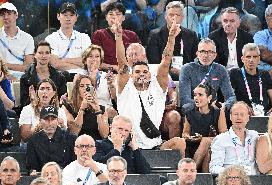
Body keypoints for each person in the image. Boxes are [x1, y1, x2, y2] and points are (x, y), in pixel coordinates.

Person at [116, 8, 180, 149]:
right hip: (128, 144)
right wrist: (118, 37)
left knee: (179, 143)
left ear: (150, 74)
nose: (141, 74)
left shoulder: (157, 87)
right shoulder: (125, 87)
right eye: (137, 72)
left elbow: (166, 60)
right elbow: (121, 63)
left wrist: (171, 39)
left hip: (154, 143)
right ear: (131, 75)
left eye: (145, 71)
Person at [179, 38, 236, 112]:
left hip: (213, 110)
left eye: (210, 52)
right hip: (193, 108)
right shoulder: (187, 69)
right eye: (202, 51)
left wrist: (225, 106)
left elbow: (231, 96)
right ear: (197, 53)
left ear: (215, 55)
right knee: (187, 106)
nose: (206, 55)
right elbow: (184, 99)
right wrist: (206, 106)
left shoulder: (220, 69)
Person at [147, 1, 199, 81]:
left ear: (182, 17)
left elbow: (196, 61)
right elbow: (153, 62)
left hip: (187, 77)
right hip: (163, 77)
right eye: (171, 15)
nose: (174, 18)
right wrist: (169, 71)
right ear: (165, 16)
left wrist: (183, 72)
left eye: (177, 15)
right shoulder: (155, 35)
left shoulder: (191, 35)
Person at [183, 83, 227, 172]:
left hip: (212, 144)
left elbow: (224, 136)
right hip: (193, 146)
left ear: (209, 98)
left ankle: (191, 170)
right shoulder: (189, 112)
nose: (196, 98)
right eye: (195, 95)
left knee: (206, 143)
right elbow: (185, 133)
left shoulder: (218, 112)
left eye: (200, 95)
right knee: (205, 147)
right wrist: (189, 137)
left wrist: (202, 138)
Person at [230, 43, 272, 116]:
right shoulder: (235, 73)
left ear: (259, 59)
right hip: (243, 114)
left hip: (265, 114)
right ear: (242, 59)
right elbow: (229, 97)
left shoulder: (264, 74)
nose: (251, 60)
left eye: (255, 57)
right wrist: (242, 106)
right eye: (248, 57)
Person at [209, 101, 259, 175]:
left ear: (248, 118)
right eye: (236, 114)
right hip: (232, 180)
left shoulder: (255, 136)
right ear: (230, 117)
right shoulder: (221, 139)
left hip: (255, 180)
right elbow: (214, 168)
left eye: (242, 114)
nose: (239, 117)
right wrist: (233, 172)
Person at [45, 2, 91, 80]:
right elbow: (55, 64)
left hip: (82, 78)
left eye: (71, 15)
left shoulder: (84, 37)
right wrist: (78, 65)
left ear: (76, 17)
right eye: (65, 15)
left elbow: (88, 61)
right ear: (58, 16)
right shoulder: (50, 39)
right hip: (60, 78)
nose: (68, 18)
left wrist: (64, 60)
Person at [27, 105, 76, 174]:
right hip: (44, 178)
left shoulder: (70, 138)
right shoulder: (33, 140)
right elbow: (33, 167)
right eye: (46, 120)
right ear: (40, 121)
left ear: (57, 120)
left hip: (66, 177)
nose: (50, 123)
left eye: (53, 119)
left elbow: (75, 163)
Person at [92, 2, 140, 72]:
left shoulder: (132, 35)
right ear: (106, 17)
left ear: (123, 17)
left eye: (118, 14)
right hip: (107, 73)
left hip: (129, 72)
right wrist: (115, 67)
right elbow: (94, 61)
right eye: (111, 14)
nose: (114, 17)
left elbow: (140, 58)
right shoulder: (98, 34)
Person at [20, 41, 67, 108]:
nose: (44, 56)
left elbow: (63, 101)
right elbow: (23, 104)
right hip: (33, 112)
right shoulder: (25, 78)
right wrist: (33, 100)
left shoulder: (60, 77)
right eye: (40, 53)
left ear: (50, 55)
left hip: (55, 112)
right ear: (35, 55)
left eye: (47, 53)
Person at [19, 79, 67, 143]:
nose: (45, 91)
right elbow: (25, 137)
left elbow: (64, 136)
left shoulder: (60, 111)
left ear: (53, 93)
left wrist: (62, 127)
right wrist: (39, 127)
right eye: (42, 89)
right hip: (34, 145)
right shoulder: (27, 110)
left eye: (48, 89)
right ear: (37, 92)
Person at [63, 75, 109, 139]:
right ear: (77, 89)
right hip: (78, 144)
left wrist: (98, 111)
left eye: (88, 86)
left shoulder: (101, 109)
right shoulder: (68, 107)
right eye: (82, 86)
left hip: (97, 144)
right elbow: (74, 132)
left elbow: (104, 135)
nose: (85, 88)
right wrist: (81, 109)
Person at [208, 7, 254, 71]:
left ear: (238, 23)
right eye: (225, 21)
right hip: (222, 73)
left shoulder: (247, 37)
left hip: (242, 73)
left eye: (232, 21)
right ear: (222, 22)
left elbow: (250, 59)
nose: (228, 24)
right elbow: (214, 63)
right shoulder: (213, 37)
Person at [0, 2, 34, 80]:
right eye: (2, 14)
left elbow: (28, 67)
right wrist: (6, 75)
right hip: (1, 77)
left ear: (16, 15)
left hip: (22, 79)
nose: (5, 17)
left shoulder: (28, 38)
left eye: (8, 14)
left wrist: (6, 65)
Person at [80, 44, 116, 109]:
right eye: (90, 56)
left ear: (100, 60)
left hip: (106, 109)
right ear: (85, 60)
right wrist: (92, 80)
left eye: (97, 56)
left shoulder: (107, 76)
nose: (94, 59)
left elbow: (115, 100)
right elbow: (80, 98)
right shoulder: (80, 76)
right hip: (87, 108)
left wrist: (111, 85)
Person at [253, 3, 272, 72]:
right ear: (266, 19)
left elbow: (269, 55)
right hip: (268, 72)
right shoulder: (260, 35)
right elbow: (265, 55)